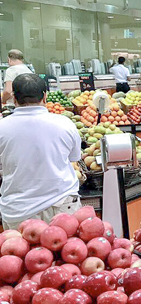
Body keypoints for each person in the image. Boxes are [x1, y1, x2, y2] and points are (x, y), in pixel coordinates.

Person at [0, 74, 82, 230]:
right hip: (62, 208)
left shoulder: (2, 127)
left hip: (18, 211)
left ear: (14, 98)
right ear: (45, 96)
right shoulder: (65, 123)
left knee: (22, 254)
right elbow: (74, 157)